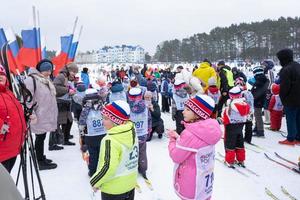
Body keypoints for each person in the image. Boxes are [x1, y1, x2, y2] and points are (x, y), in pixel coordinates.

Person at [168, 94, 222, 200]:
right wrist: (179, 137)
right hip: (205, 181)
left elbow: (176, 156)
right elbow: (194, 146)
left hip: (190, 182)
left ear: (198, 114)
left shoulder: (189, 134)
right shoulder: (209, 130)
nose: (183, 111)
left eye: (187, 109)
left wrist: (172, 140)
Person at [90, 100, 137, 200]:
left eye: (106, 119)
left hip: (113, 189)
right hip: (130, 184)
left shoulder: (110, 140)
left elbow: (108, 167)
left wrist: (95, 181)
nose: (102, 122)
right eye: (102, 118)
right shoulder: (131, 131)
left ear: (117, 122)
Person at [24, 60, 58, 170]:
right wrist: (31, 114)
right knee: (39, 137)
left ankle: (41, 157)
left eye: (50, 70)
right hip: (38, 115)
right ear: (40, 70)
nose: (48, 72)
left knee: (42, 136)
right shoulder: (31, 80)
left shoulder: (44, 80)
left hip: (45, 114)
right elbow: (27, 100)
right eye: (46, 70)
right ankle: (39, 161)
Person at [0, 64, 26, 173]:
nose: (0, 77)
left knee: (6, 182)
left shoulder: (9, 93)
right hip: (2, 148)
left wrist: (25, 127)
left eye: (1, 74)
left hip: (13, 146)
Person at [50, 63, 78, 149]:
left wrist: (72, 92)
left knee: (69, 121)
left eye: (75, 72)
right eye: (73, 71)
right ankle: (53, 144)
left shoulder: (68, 77)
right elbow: (55, 87)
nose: (74, 74)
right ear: (69, 70)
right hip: (59, 102)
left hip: (66, 102)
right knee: (57, 123)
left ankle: (65, 139)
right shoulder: (61, 76)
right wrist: (68, 90)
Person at [79, 88, 106, 177]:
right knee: (103, 153)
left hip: (90, 135)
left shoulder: (85, 108)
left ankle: (93, 171)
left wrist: (82, 135)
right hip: (103, 133)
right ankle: (104, 170)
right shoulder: (102, 106)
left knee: (93, 154)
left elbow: (82, 122)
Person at [276, 49, 300, 145]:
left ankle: (290, 139)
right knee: (298, 118)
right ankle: (298, 138)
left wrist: (283, 98)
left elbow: (284, 87)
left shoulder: (285, 69)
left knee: (291, 119)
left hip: (290, 99)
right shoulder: (298, 66)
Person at [222, 87, 250, 167]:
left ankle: (230, 161)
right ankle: (241, 160)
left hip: (230, 127)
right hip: (240, 126)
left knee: (230, 144)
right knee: (240, 143)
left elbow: (225, 117)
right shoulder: (245, 104)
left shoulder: (230, 105)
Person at [128, 88, 151, 179]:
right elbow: (149, 118)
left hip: (130, 133)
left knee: (131, 151)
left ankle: (131, 168)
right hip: (142, 132)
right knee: (142, 151)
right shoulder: (145, 106)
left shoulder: (128, 107)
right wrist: (149, 129)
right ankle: (143, 168)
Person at [251, 66, 269, 137]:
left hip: (258, 100)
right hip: (260, 100)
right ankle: (257, 127)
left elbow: (257, 92)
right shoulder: (262, 80)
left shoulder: (259, 81)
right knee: (257, 114)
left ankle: (260, 131)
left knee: (258, 115)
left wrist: (252, 94)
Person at [235, 78, 254, 144]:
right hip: (250, 111)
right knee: (249, 125)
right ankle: (248, 139)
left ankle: (238, 138)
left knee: (239, 125)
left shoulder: (239, 92)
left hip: (242, 111)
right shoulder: (249, 92)